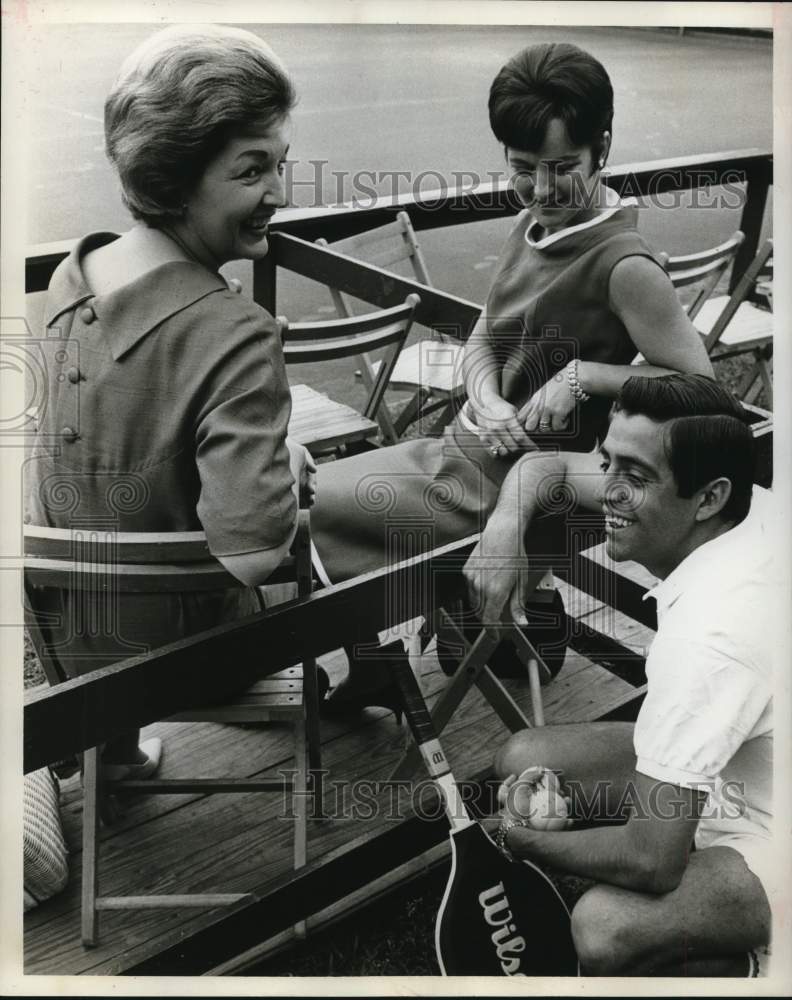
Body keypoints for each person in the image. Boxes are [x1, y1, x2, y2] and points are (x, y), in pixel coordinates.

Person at [312, 41, 713, 714]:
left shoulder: (624, 264)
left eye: (563, 167)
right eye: (524, 168)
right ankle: (377, 661)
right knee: (300, 500)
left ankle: (376, 654)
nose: (543, 188)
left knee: (298, 508)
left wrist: (585, 376)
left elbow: (705, 389)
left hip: (499, 491)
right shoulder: (532, 223)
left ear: (602, 148)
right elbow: (486, 333)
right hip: (457, 452)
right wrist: (486, 392)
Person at [25, 25, 315, 778]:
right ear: (175, 178)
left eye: (279, 167)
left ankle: (113, 758)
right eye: (253, 171)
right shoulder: (235, 335)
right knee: (347, 536)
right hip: (179, 661)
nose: (278, 194)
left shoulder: (74, 274)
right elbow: (253, 558)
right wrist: (281, 463)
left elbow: (122, 427)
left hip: (69, 644)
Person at [471, 374, 777, 976]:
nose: (607, 491)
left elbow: (650, 860)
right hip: (748, 772)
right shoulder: (752, 501)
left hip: (775, 835)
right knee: (525, 754)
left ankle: (738, 968)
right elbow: (549, 470)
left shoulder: (710, 637)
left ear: (709, 498)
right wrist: (504, 531)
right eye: (606, 461)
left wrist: (517, 839)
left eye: (633, 478)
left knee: (604, 925)